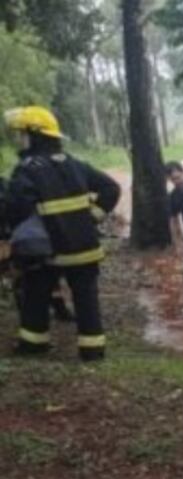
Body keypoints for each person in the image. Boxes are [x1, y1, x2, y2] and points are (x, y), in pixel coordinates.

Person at [3, 106, 121, 361]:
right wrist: (92, 217)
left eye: (21, 134)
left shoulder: (27, 169)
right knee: (87, 299)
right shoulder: (75, 164)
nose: (18, 140)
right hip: (85, 249)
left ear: (34, 136)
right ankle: (93, 350)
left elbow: (16, 208)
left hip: (49, 251)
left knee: (36, 295)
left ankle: (34, 345)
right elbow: (111, 188)